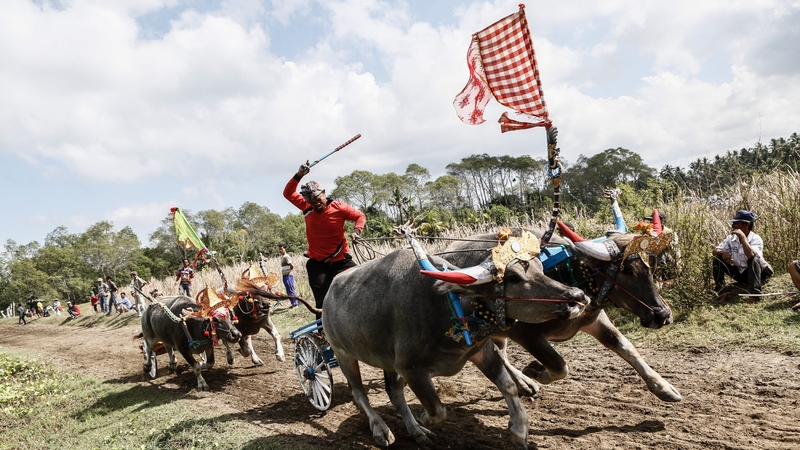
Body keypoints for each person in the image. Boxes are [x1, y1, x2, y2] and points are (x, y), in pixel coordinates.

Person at [284, 160, 366, 318]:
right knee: (323, 301)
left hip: (341, 260)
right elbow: (288, 193)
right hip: (318, 264)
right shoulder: (306, 207)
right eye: (312, 202)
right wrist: (299, 175)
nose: (317, 204)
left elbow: (360, 216)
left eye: (318, 199)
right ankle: (322, 333)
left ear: (324, 193)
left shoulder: (339, 208)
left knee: (360, 287)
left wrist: (357, 230)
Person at [712, 210, 774, 301]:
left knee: (754, 258)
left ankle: (755, 294)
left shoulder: (756, 239)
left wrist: (743, 238)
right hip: (741, 273)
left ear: (746, 224)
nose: (733, 225)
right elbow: (715, 251)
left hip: (758, 274)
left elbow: (751, 255)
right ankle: (720, 290)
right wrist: (723, 253)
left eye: (736, 223)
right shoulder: (731, 238)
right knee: (717, 258)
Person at [279, 244, 298, 308]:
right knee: (288, 290)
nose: (280, 250)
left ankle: (295, 304)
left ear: (285, 249)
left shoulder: (286, 256)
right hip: (284, 275)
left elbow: (291, 265)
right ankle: (293, 303)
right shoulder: (282, 257)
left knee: (291, 289)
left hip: (288, 275)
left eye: (281, 249)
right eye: (279, 249)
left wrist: (289, 271)